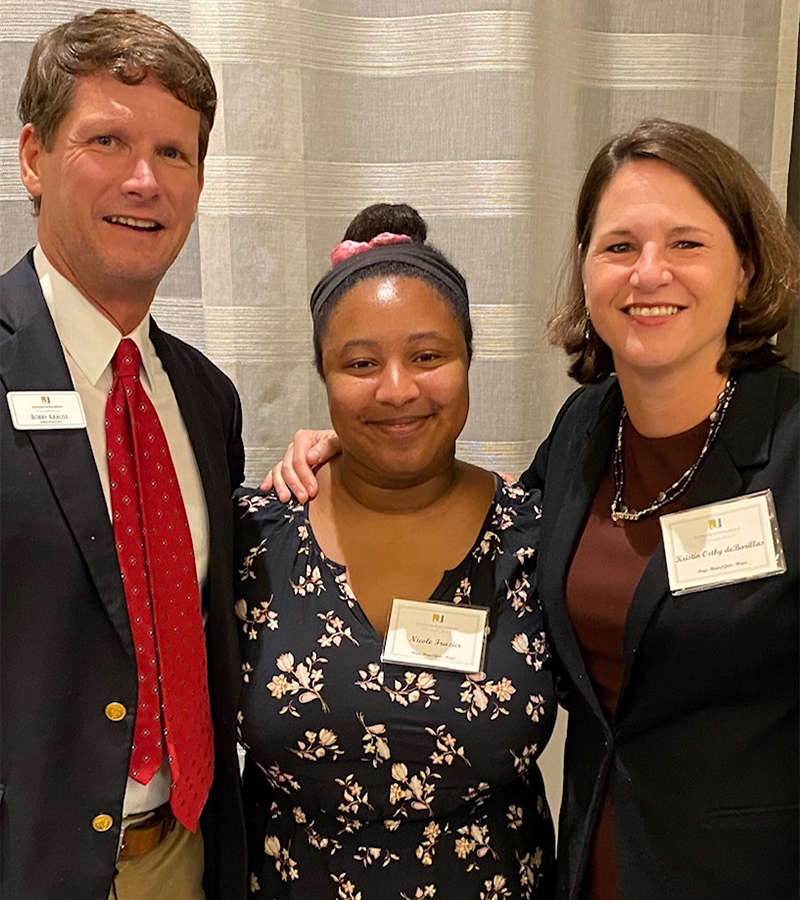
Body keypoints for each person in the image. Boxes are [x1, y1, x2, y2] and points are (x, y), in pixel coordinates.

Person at [266, 120, 799, 900]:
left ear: (745, 268)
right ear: (586, 271)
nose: (649, 273)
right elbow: (464, 502)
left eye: (686, 243)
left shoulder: (787, 445)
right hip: (592, 860)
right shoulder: (586, 432)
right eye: (619, 246)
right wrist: (353, 448)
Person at [234, 203, 556, 899]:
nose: (397, 389)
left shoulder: (537, 534)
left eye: (428, 355)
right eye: (360, 363)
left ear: (469, 359)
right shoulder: (253, 536)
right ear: (322, 376)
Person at [0, 11, 247, 900]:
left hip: (181, 860)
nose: (145, 180)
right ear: (33, 157)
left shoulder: (206, 399)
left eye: (175, 154)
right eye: (107, 140)